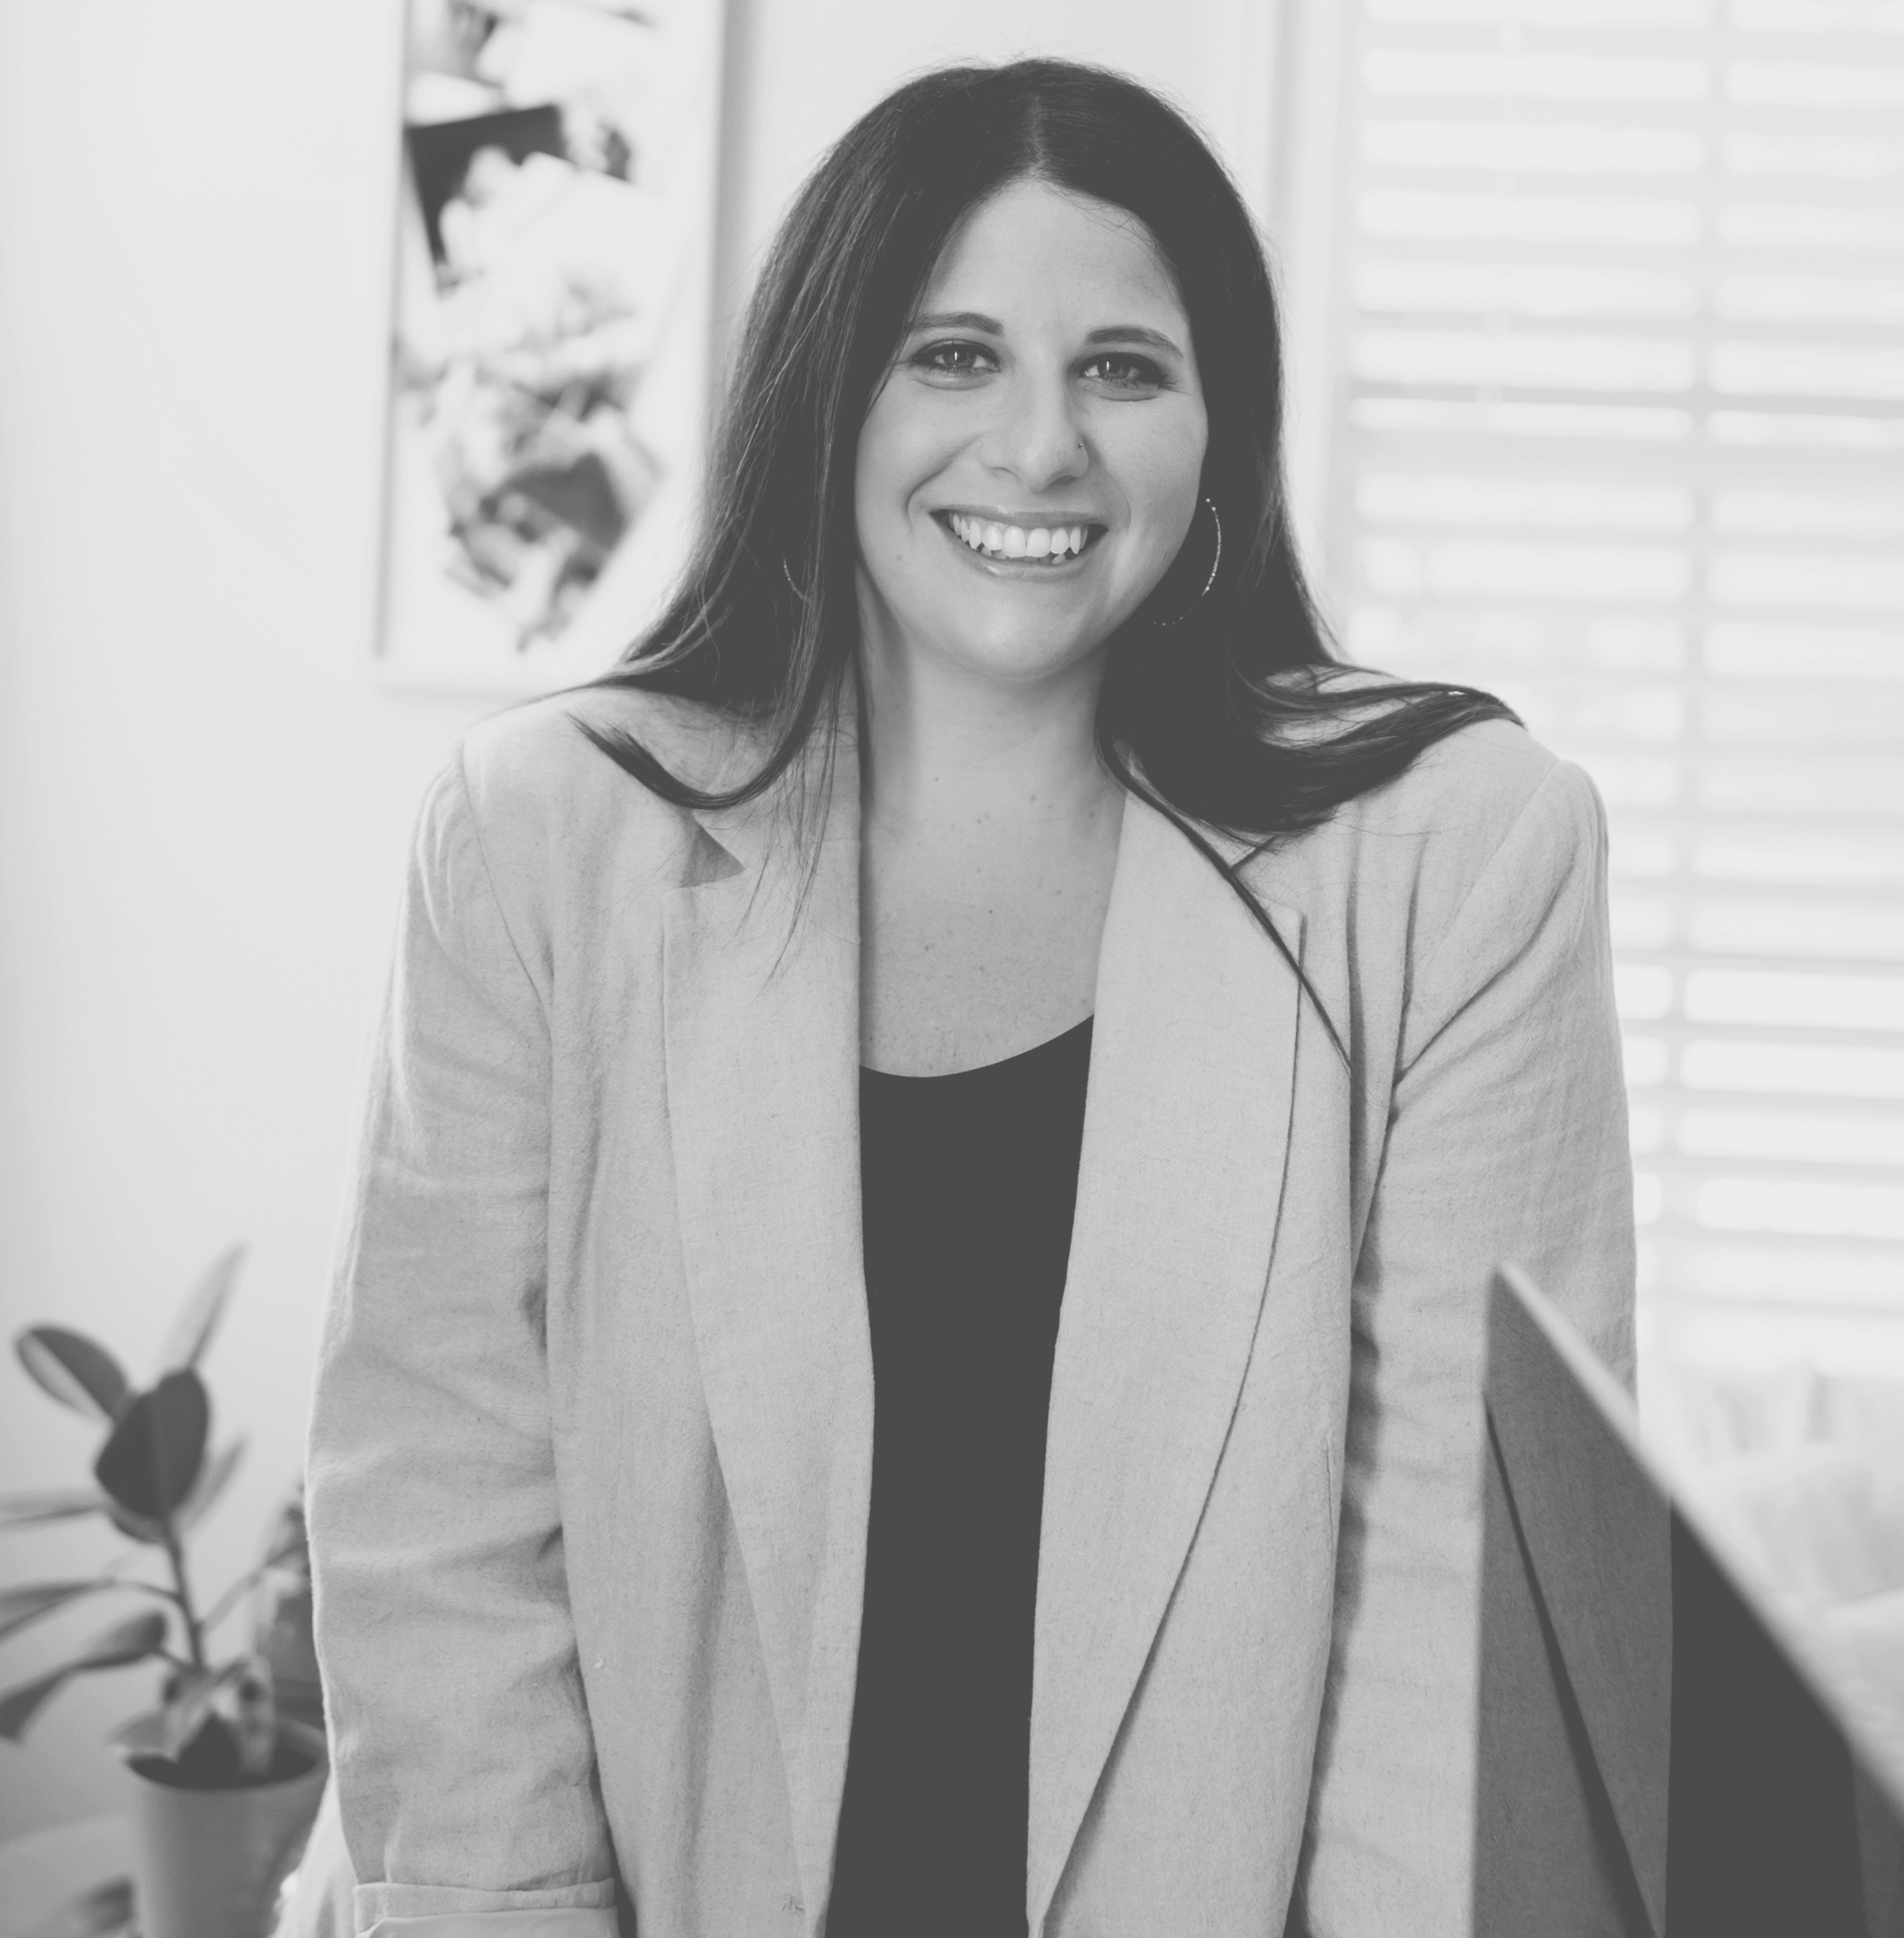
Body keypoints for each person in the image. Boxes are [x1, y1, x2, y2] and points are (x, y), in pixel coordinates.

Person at [306, 57, 1634, 1938]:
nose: (1038, 449)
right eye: (951, 355)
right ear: (825, 389)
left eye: (1122, 366)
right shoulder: (542, 840)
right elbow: (434, 1513)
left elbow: (1457, 1605)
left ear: (1216, 423)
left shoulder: (1458, 857)